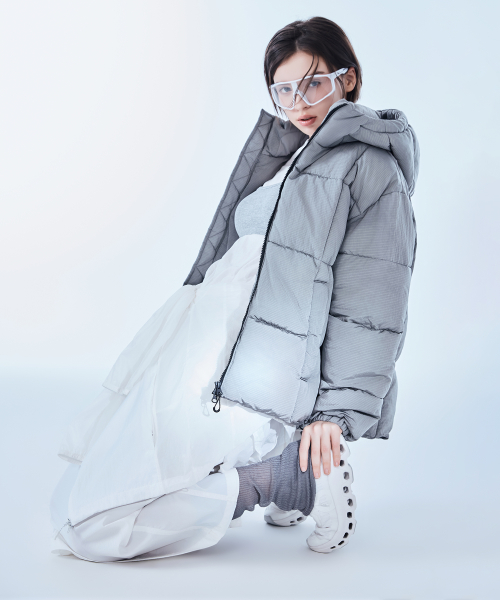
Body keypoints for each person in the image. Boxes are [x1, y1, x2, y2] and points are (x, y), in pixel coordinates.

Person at [50, 16, 419, 562]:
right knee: (72, 505)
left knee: (96, 528)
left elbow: (372, 304)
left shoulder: (371, 169)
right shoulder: (291, 156)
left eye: (313, 83)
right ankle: (282, 467)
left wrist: (333, 414)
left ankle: (277, 478)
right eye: (283, 90)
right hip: (206, 355)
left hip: (247, 374)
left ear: (349, 78)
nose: (298, 103)